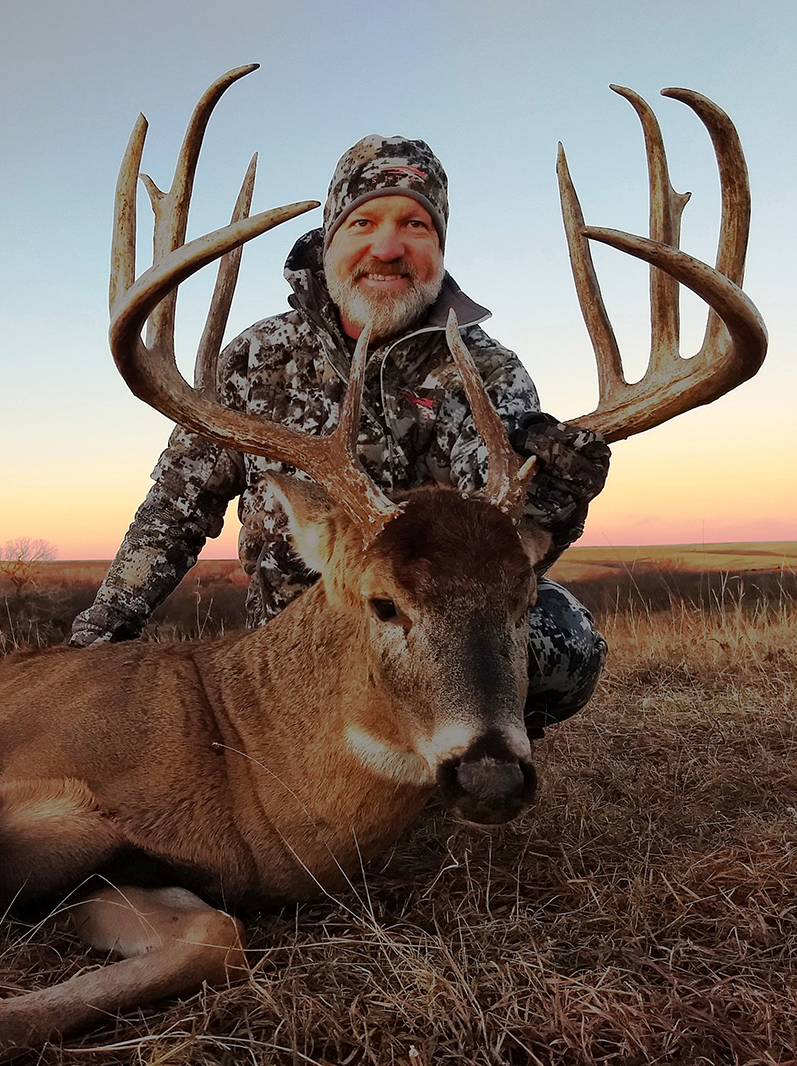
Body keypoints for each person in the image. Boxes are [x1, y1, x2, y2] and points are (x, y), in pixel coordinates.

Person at [71, 134, 611, 736]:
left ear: (439, 248)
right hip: (291, 641)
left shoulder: (484, 372)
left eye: (415, 224)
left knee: (563, 637)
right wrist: (107, 626)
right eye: (363, 222)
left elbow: (500, 537)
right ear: (329, 240)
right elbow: (178, 506)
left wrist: (556, 491)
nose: (387, 246)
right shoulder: (257, 357)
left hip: (427, 631)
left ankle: (475, 742)